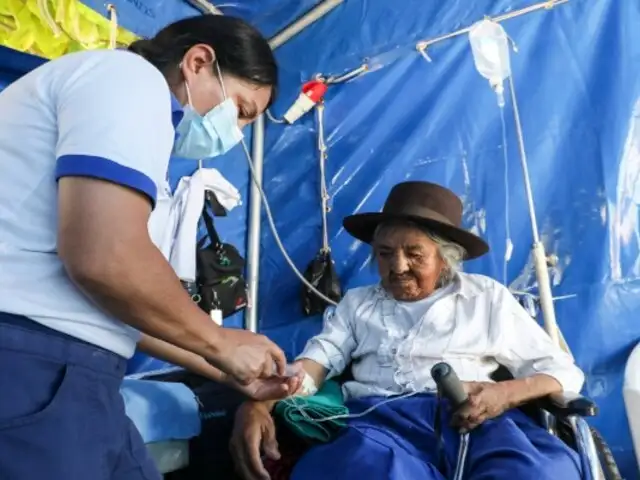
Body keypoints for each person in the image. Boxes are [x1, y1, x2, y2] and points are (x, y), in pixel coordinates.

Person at [0, 15, 300, 480]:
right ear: (198, 61)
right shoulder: (129, 80)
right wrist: (220, 342)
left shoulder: (128, 122)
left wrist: (228, 370)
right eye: (240, 110)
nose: (235, 133)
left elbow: (117, 301)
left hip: (72, 367)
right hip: (32, 360)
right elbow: (105, 259)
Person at [230, 181, 585, 480]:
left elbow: (561, 372)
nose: (397, 267)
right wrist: (260, 404)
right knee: (360, 468)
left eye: (415, 254)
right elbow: (313, 367)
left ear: (445, 257)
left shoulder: (486, 297)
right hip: (381, 426)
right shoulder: (357, 304)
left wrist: (504, 394)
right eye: (385, 254)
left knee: (537, 472)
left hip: (477, 420)